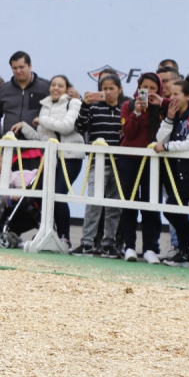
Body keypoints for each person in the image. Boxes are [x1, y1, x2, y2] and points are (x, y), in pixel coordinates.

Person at [9, 75, 83, 246]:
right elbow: (42, 138)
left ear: (67, 88)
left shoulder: (74, 103)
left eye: (60, 85)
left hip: (70, 157)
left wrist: (42, 120)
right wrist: (25, 127)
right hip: (50, 159)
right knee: (41, 195)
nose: (56, 88)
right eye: (53, 85)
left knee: (57, 196)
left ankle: (65, 238)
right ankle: (51, 233)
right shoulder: (45, 105)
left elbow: (66, 127)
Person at [72, 73, 125, 257]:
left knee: (114, 207)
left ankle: (108, 244)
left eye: (112, 88)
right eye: (104, 89)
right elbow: (79, 127)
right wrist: (85, 105)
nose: (108, 92)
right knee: (93, 203)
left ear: (120, 89)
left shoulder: (124, 110)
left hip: (120, 165)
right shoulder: (93, 108)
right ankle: (86, 242)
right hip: (98, 162)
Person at [118, 72, 165, 263]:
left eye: (153, 88)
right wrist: (137, 112)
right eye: (145, 87)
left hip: (153, 161)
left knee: (151, 204)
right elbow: (128, 134)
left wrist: (161, 104)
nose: (149, 92)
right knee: (128, 203)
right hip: (129, 159)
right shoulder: (128, 106)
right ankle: (129, 246)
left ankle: (150, 248)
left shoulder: (163, 108)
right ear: (138, 87)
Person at [153, 79, 189, 267]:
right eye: (171, 94)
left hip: (188, 172)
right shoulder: (176, 115)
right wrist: (169, 118)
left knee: (174, 208)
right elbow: (159, 139)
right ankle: (185, 252)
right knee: (173, 209)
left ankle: (185, 250)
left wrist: (166, 147)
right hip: (178, 171)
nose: (172, 97)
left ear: (188, 96)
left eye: (177, 94)